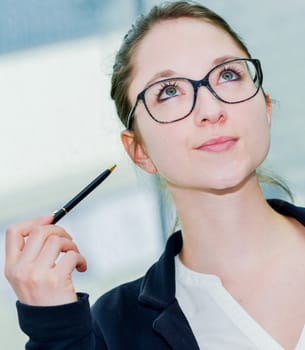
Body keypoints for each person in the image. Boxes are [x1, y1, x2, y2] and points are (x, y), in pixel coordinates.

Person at [5, 1, 305, 349]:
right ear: (139, 150)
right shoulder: (115, 328)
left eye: (227, 75)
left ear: (264, 106)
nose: (211, 109)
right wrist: (55, 332)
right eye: (169, 92)